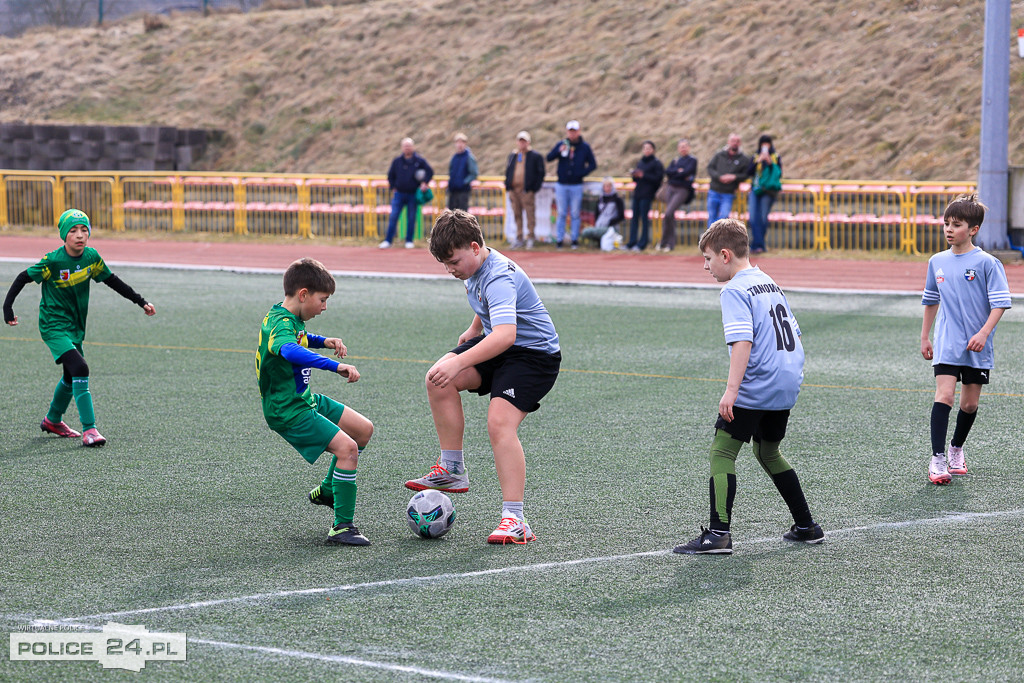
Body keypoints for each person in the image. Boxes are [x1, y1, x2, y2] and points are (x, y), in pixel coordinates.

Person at [405, 209, 561, 544]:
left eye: (454, 262)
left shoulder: (498, 276)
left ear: (475, 247)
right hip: (503, 347)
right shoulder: (475, 269)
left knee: (499, 423)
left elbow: (505, 334)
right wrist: (474, 327)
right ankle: (451, 470)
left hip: (534, 356)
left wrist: (459, 363)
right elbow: (489, 308)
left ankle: (515, 520)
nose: (451, 270)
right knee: (437, 378)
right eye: (445, 264)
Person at [674, 219, 823, 555]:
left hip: (758, 382)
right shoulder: (768, 282)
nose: (706, 265)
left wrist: (731, 390)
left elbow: (743, 340)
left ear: (725, 255)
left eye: (709, 258)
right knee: (767, 451)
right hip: (786, 381)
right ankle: (806, 526)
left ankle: (718, 534)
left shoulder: (735, 289)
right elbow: (796, 336)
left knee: (722, 452)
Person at [3, 209, 156, 447]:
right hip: (53, 325)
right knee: (81, 367)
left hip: (75, 326)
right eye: (73, 230)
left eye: (84, 230)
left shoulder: (91, 258)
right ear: (64, 235)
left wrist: (141, 301)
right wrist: (7, 307)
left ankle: (53, 420)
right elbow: (24, 276)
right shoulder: (53, 261)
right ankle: (90, 430)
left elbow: (112, 280)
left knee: (70, 374)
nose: (79, 235)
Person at [256, 258, 374, 546]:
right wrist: (334, 366)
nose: (324, 307)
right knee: (347, 449)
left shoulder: (287, 318)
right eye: (322, 300)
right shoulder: (279, 324)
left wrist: (324, 340)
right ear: (304, 294)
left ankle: (328, 490)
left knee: (362, 430)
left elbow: (299, 337)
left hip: (304, 399)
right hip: (288, 410)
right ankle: (342, 527)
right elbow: (288, 349)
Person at [920, 194, 1012, 485]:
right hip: (947, 342)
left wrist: (984, 333)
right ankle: (937, 460)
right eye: (946, 223)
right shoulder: (937, 262)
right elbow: (931, 299)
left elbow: (1000, 303)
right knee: (944, 396)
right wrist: (925, 336)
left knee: (969, 405)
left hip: (978, 346)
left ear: (973, 229)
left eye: (956, 224)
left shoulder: (987, 263)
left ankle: (956, 449)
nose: (948, 229)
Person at [546, 120, 597, 249]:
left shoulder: (584, 147)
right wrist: (559, 151)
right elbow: (549, 157)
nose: (572, 134)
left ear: (578, 132)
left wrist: (581, 173)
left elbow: (593, 164)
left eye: (574, 131)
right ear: (567, 132)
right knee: (561, 213)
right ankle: (559, 239)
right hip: (562, 184)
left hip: (576, 185)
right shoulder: (561, 144)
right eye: (570, 131)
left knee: (575, 213)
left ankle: (574, 239)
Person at [381, 137, 433, 249]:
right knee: (393, 216)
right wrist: (393, 187)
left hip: (412, 194)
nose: (407, 148)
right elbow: (390, 175)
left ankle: (409, 240)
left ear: (413, 147)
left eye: (409, 146)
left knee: (411, 218)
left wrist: (425, 183)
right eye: (405, 146)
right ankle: (388, 240)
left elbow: (430, 171)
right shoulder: (397, 161)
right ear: (402, 147)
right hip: (399, 194)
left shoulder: (419, 160)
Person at [504, 130, 546, 249]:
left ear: (528, 142)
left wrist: (533, 188)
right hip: (514, 190)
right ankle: (519, 237)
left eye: (524, 141)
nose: (522, 144)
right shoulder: (513, 155)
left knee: (529, 214)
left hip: (527, 191)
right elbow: (508, 171)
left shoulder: (535, 156)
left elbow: (540, 173)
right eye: (520, 141)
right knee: (517, 215)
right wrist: (508, 185)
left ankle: (531, 237)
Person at [657, 138, 698, 252]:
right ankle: (664, 243)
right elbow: (668, 172)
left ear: (689, 147)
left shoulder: (692, 160)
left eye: (685, 146)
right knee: (668, 216)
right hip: (671, 188)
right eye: (681, 146)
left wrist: (677, 173)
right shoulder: (675, 160)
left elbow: (688, 172)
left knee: (668, 213)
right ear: (678, 148)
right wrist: (678, 172)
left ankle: (669, 243)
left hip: (682, 190)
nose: (683, 148)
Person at [626, 140, 664, 252]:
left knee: (644, 219)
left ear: (653, 150)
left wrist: (644, 175)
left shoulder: (657, 163)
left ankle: (642, 243)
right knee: (634, 219)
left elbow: (658, 179)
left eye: (649, 148)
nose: (646, 150)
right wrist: (635, 175)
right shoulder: (640, 162)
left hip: (647, 194)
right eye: (645, 148)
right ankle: (632, 242)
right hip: (637, 193)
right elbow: (636, 179)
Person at [706, 133, 751, 227]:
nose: (735, 143)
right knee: (712, 216)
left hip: (728, 193)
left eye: (737, 141)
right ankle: (711, 239)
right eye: (733, 141)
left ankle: (718, 238)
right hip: (714, 190)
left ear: (740, 143)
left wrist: (734, 177)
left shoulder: (744, 159)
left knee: (724, 217)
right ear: (728, 142)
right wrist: (719, 177)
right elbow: (710, 168)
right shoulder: (719, 155)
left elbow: (746, 174)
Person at [747, 135, 782, 253]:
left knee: (762, 217)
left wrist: (770, 163)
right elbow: (749, 172)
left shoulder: (775, 157)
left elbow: (779, 173)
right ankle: (757, 244)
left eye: (767, 143)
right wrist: (758, 161)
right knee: (752, 217)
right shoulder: (756, 156)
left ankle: (759, 245)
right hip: (755, 189)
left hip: (768, 191)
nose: (765, 146)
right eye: (763, 144)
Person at [580, 177, 625, 248]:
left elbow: (621, 216)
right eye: (605, 186)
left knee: (588, 232)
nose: (607, 188)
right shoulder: (600, 199)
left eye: (609, 186)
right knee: (585, 232)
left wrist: (610, 222)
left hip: (611, 228)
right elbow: (597, 214)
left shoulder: (617, 199)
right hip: (600, 226)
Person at [446, 132, 478, 212]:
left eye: (462, 142)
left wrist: (464, 182)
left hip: (463, 191)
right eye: (458, 142)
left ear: (465, 144)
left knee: (462, 216)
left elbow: (474, 173)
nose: (459, 144)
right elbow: (451, 172)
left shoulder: (469, 157)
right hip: (453, 190)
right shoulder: (454, 157)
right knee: (451, 215)